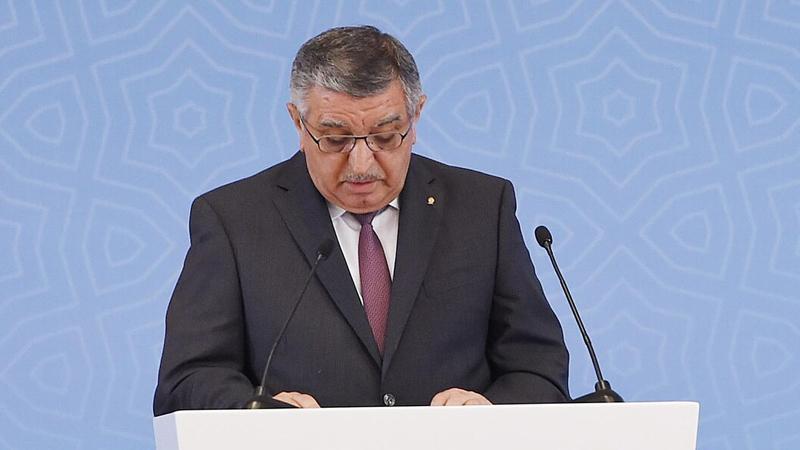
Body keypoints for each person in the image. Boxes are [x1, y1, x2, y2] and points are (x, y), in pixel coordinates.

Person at [153, 25, 569, 414]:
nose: (361, 165)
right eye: (336, 140)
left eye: (385, 136)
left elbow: (538, 368)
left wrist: (490, 412)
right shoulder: (234, 219)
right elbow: (187, 380)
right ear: (298, 123)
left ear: (416, 117)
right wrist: (260, 413)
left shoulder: (481, 208)